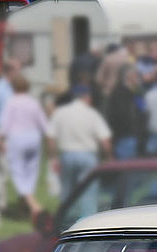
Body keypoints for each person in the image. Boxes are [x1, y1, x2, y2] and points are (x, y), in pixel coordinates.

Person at [46, 83, 111, 218]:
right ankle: (87, 224)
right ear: (86, 97)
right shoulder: (92, 114)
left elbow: (50, 138)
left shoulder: (60, 113)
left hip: (67, 155)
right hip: (88, 156)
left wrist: (53, 157)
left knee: (67, 193)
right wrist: (109, 157)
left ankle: (66, 221)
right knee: (88, 193)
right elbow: (105, 141)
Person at [0, 73, 48, 220]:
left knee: (18, 173)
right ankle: (24, 210)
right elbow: (44, 124)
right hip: (34, 137)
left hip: (17, 138)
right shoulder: (33, 102)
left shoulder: (11, 102)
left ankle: (35, 207)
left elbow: (5, 125)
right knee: (31, 172)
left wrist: (0, 139)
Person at [104, 65, 144, 159]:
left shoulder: (136, 93)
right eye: (137, 76)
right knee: (128, 169)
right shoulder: (120, 93)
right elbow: (122, 116)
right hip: (126, 137)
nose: (139, 79)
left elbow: (142, 110)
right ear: (129, 77)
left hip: (136, 137)